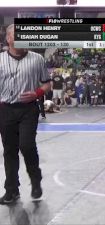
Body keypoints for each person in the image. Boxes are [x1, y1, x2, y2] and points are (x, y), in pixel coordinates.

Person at [0, 24, 51, 204]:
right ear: (8, 39)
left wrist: (37, 93)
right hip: (5, 109)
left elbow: (47, 83)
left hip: (28, 109)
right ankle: (12, 190)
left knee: (27, 145)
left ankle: (35, 180)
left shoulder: (37, 59)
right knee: (9, 151)